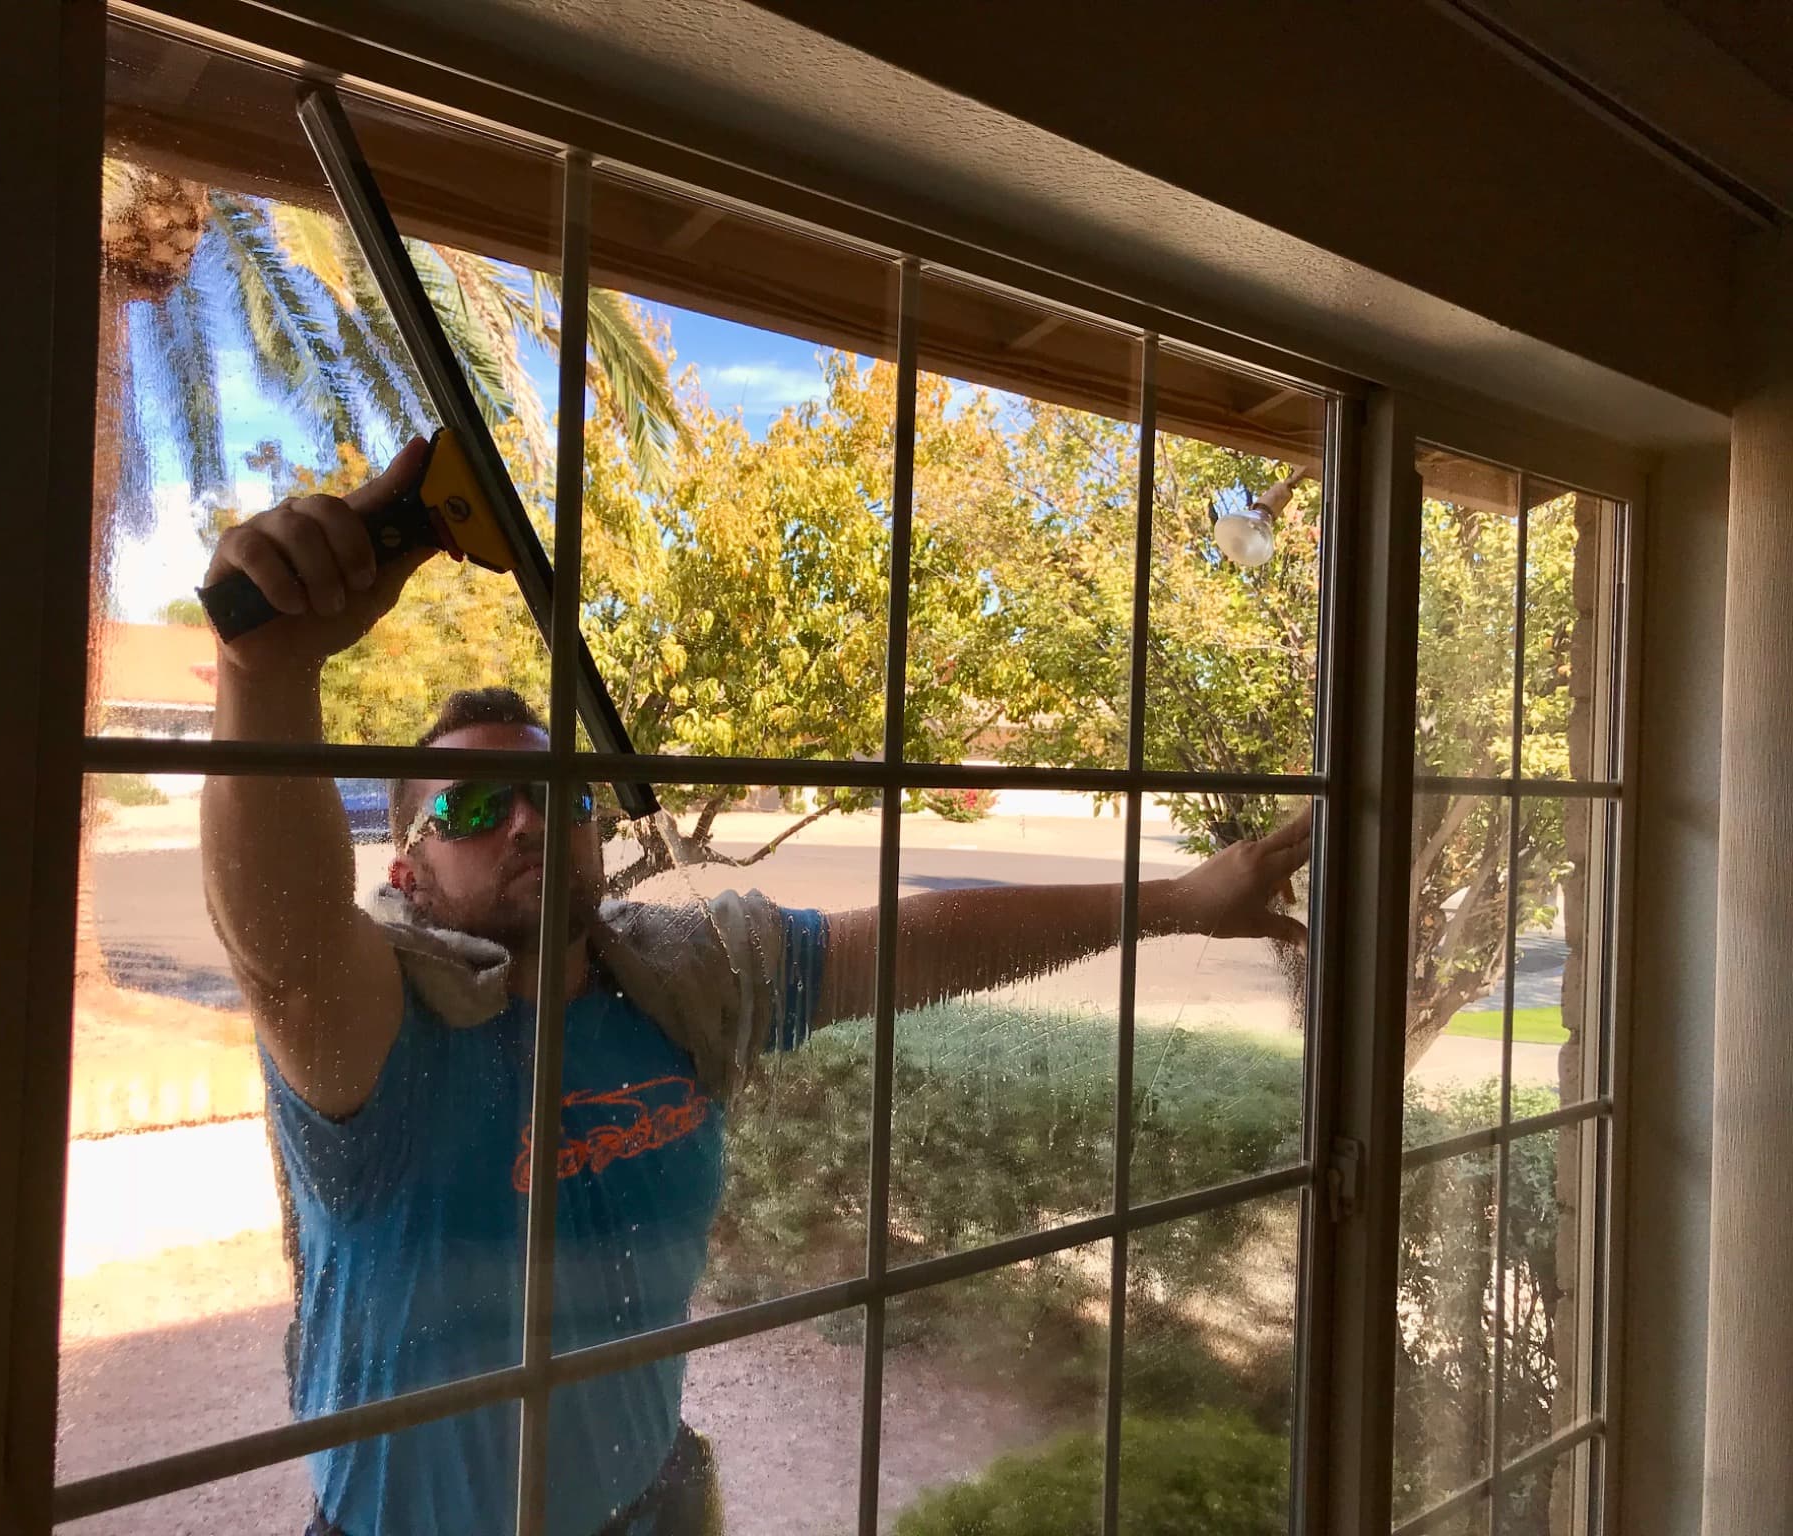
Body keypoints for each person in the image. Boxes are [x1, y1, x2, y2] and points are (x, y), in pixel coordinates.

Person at [199, 438, 1313, 1536]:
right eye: (476, 807)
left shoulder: (678, 984)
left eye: (559, 794)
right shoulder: (373, 1028)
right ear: (406, 870)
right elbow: (280, 945)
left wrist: (1172, 900)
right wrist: (268, 671)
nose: (530, 816)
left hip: (658, 1503)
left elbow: (919, 937)